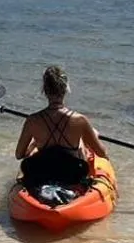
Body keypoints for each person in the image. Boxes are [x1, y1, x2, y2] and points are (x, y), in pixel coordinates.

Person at [15, 65, 107, 195]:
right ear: (65, 89)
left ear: (44, 90)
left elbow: (19, 155)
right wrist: (93, 136)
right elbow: (101, 153)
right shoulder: (80, 120)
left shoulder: (32, 120)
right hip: (71, 174)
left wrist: (34, 144)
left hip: (43, 172)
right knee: (81, 144)